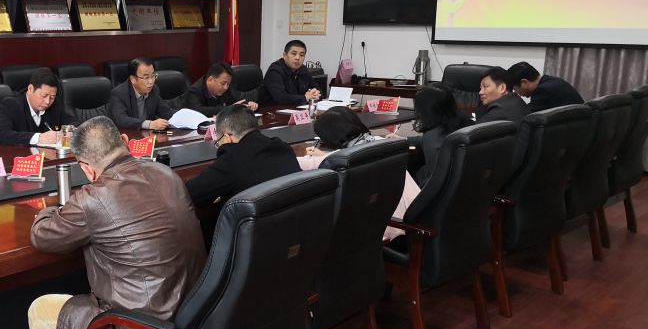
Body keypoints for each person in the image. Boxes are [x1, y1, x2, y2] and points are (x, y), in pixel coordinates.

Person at [25, 116, 206, 329]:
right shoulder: (166, 174)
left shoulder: (92, 197)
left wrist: (48, 210)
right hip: (195, 311)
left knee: (41, 312)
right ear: (123, 140)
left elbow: (43, 237)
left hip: (144, 327)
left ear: (86, 168)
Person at [299, 107, 419, 240]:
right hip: (415, 216)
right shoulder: (381, 141)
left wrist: (321, 156)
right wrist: (324, 155)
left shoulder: (341, 157)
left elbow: (297, 163)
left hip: (388, 226)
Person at [185, 104, 298, 206]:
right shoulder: (283, 147)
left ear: (227, 138)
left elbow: (188, 193)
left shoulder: (231, 160)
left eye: (218, 142)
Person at [0, 67, 76, 146]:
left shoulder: (55, 103)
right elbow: (2, 134)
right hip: (12, 154)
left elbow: (73, 123)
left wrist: (69, 132)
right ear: (30, 89)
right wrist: (39, 138)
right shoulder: (10, 105)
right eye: (44, 96)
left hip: (46, 155)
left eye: (52, 97)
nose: (47, 101)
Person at [408, 85, 469, 187]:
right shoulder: (462, 123)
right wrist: (404, 141)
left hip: (426, 188)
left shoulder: (432, 138)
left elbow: (433, 183)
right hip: (464, 185)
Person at [108, 57, 175, 131]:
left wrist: (183, 117)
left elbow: (166, 111)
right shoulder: (118, 93)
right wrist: (149, 124)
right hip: (127, 135)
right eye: (146, 77)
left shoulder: (154, 90)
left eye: (153, 76)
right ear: (133, 79)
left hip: (147, 135)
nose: (151, 82)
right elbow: (121, 119)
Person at [180, 62, 258, 116]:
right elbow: (197, 110)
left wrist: (249, 104)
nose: (226, 87)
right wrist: (228, 109)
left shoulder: (227, 88)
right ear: (210, 79)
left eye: (228, 84)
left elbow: (239, 99)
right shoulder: (195, 91)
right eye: (223, 83)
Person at [259, 40, 322, 106]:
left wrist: (315, 94)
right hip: (270, 110)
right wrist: (305, 98)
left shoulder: (303, 69)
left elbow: (318, 90)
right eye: (294, 54)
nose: (297, 58)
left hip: (295, 108)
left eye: (301, 55)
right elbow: (281, 98)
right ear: (285, 55)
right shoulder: (275, 71)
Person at [507, 61, 583, 112]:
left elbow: (526, 115)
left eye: (515, 88)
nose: (517, 93)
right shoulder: (551, 81)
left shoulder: (543, 91)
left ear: (524, 82)